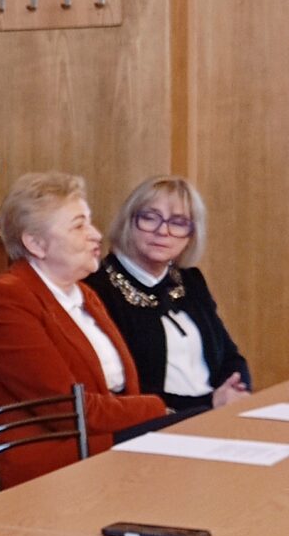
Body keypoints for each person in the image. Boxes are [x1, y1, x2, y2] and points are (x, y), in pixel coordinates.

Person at [0, 171, 169, 482]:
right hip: (45, 463)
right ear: (36, 243)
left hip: (98, 441)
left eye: (90, 222)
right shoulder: (5, 301)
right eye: (79, 225)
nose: (96, 235)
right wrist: (157, 409)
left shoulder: (83, 294)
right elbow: (66, 410)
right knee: (192, 434)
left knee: (199, 430)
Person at [98, 175, 251, 419]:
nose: (163, 231)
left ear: (191, 234)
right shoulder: (98, 287)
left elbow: (230, 356)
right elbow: (129, 387)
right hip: (155, 423)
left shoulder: (190, 280)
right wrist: (211, 402)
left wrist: (236, 392)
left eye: (178, 222)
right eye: (150, 218)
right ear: (128, 221)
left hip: (216, 414)